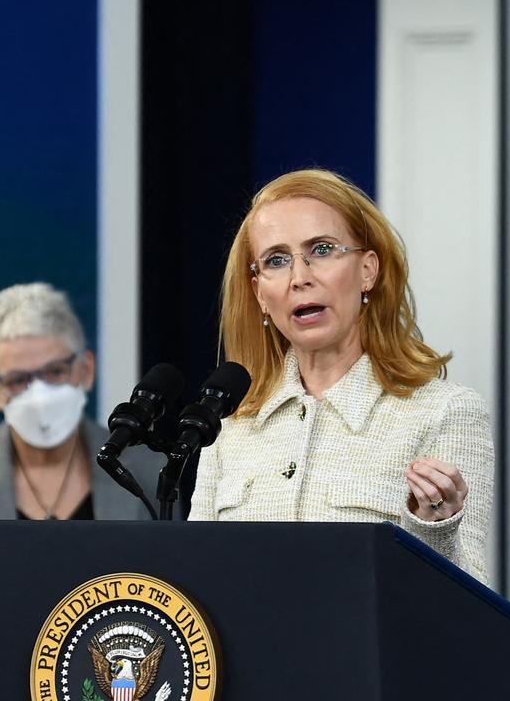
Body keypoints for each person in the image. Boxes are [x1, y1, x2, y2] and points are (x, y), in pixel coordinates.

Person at [188, 169, 493, 583]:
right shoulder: (230, 427)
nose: (300, 277)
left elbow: (469, 611)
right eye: (277, 260)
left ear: (368, 270)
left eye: (322, 249)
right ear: (260, 293)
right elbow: (195, 585)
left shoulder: (443, 412)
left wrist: (435, 529)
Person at [0, 282, 161, 521]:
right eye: (18, 380)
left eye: (55, 372)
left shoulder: (149, 470)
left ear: (86, 369)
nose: (40, 395)